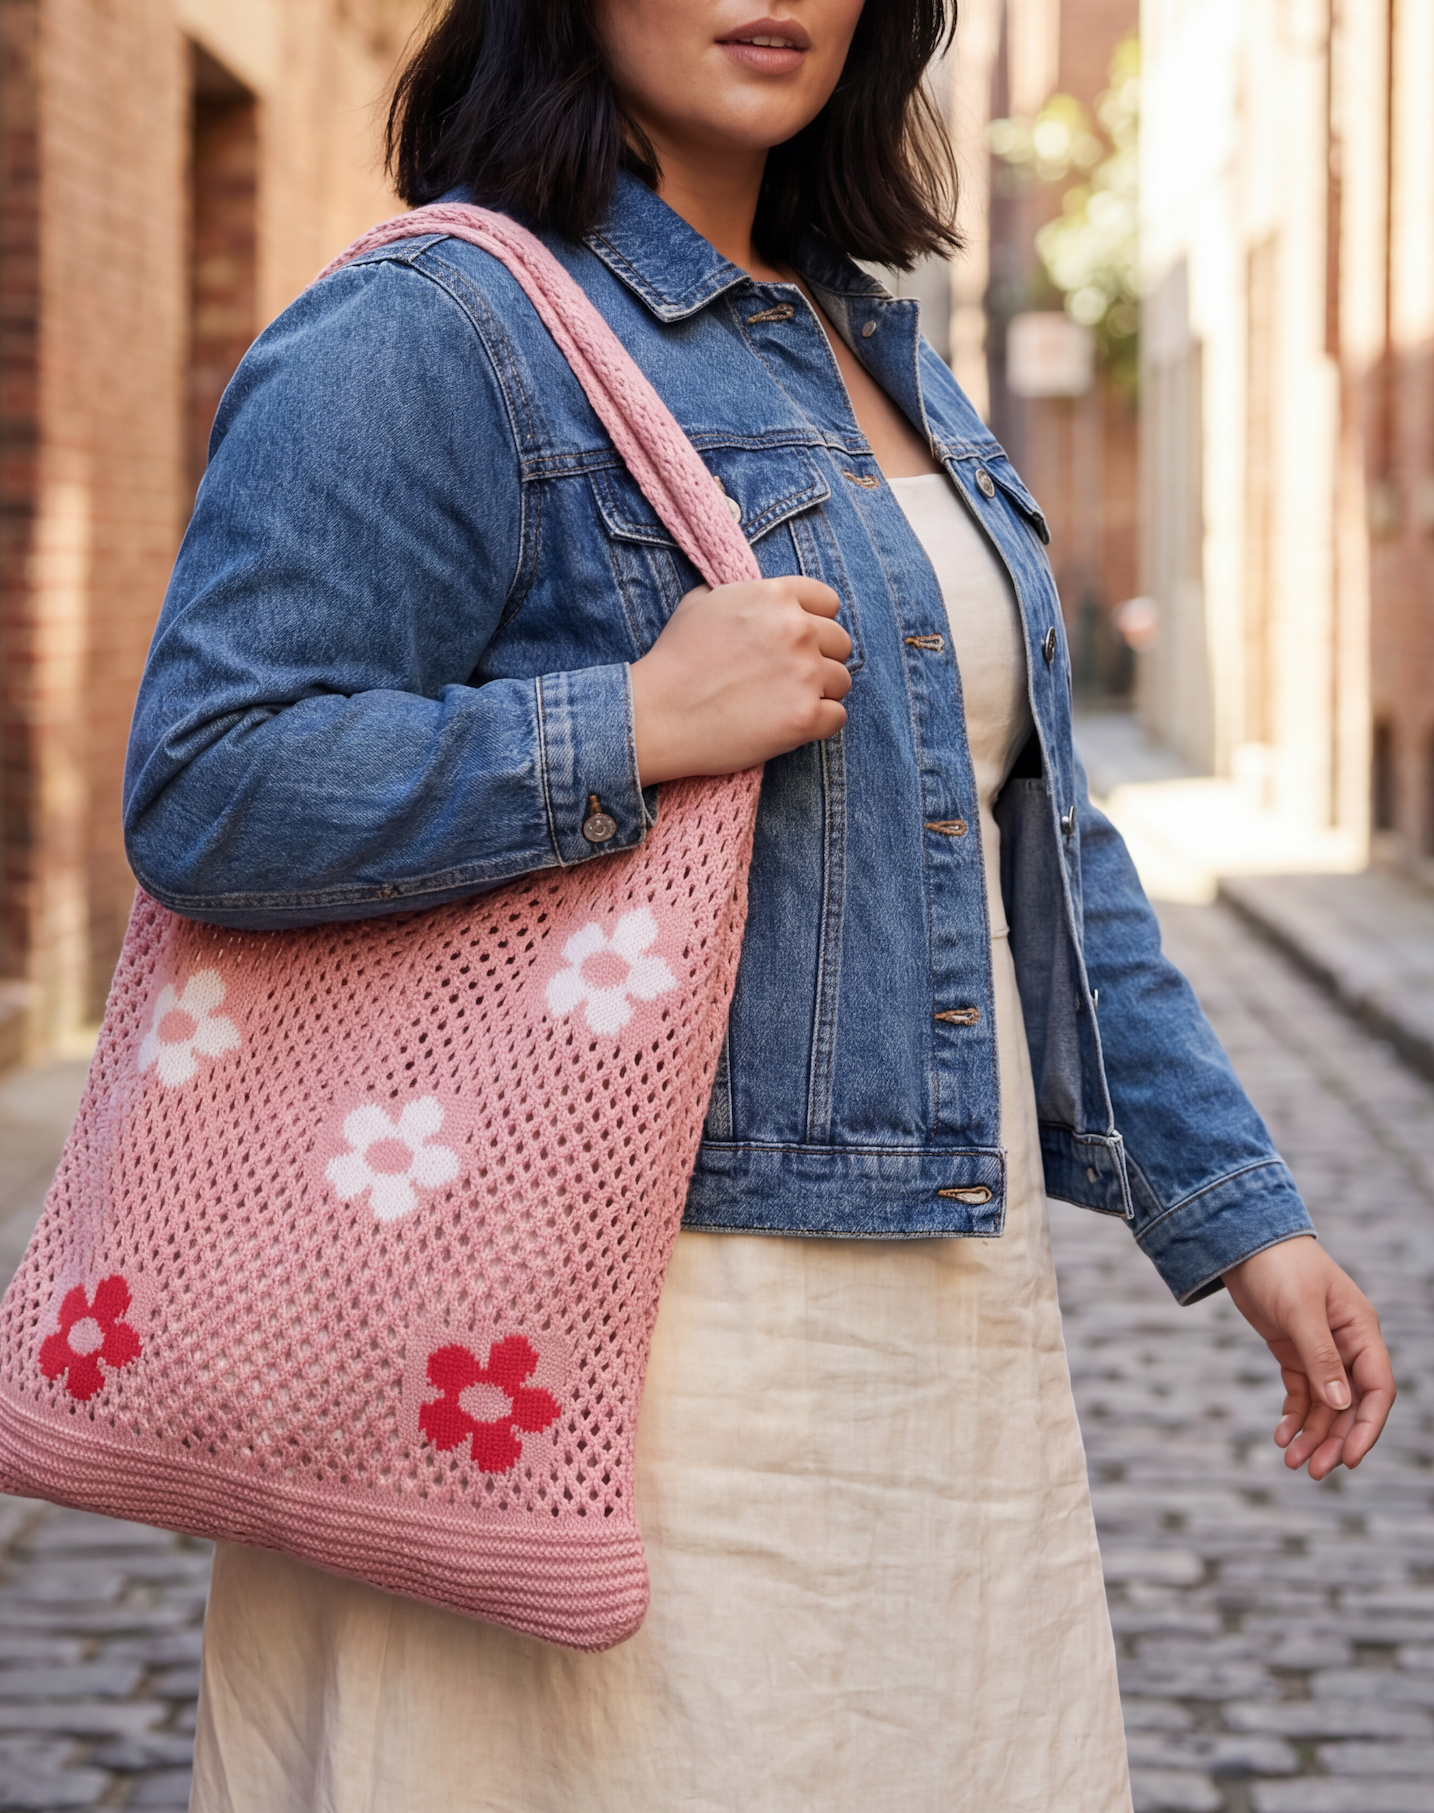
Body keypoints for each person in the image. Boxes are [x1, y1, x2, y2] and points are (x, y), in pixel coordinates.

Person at [123, 2, 1396, 1806]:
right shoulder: (434, 325)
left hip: (931, 1335)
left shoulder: (869, 337)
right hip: (615, 1347)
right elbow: (210, 783)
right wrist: (627, 722)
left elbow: (1038, 834)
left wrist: (1238, 1211)